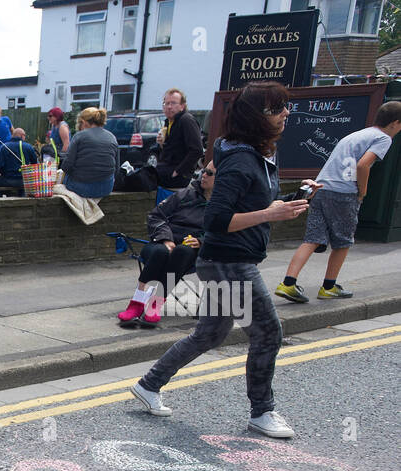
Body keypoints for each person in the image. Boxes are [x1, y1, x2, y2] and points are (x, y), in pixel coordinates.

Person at [130, 81, 317, 440]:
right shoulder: (241, 161)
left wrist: (291, 201)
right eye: (279, 108)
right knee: (267, 334)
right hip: (230, 262)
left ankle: (149, 384)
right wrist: (269, 214)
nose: (286, 113)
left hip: (226, 260)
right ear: (260, 116)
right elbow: (216, 220)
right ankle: (262, 412)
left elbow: (253, 206)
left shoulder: (251, 156)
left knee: (211, 332)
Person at [276, 101, 401, 303]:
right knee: (343, 241)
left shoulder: (358, 134)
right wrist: (362, 191)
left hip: (321, 188)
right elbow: (363, 165)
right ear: (395, 123)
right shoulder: (383, 138)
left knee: (312, 238)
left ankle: (288, 284)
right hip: (344, 192)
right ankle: (329, 286)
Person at [116, 161, 215, 327]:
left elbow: (224, 232)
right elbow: (156, 216)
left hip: (191, 249)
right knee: (161, 252)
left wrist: (201, 241)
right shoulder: (185, 195)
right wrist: (166, 239)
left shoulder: (222, 206)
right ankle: (137, 303)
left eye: (210, 173)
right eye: (204, 171)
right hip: (162, 241)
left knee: (182, 252)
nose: (203, 175)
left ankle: (156, 303)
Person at [60, 107, 119, 199]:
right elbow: (117, 169)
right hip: (106, 188)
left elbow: (66, 166)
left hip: (82, 188)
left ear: (83, 122)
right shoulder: (112, 137)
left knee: (65, 177)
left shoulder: (79, 136)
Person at [155, 88, 204, 190]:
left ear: (182, 106)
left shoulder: (186, 120)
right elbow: (172, 150)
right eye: (166, 103)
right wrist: (161, 144)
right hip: (166, 170)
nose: (169, 107)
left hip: (179, 177)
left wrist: (178, 171)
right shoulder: (169, 122)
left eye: (173, 103)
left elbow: (197, 150)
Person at [0, 127, 38, 194]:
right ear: (22, 136)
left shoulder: (4, 147)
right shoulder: (28, 147)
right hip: (23, 181)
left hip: (7, 181)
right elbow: (35, 164)